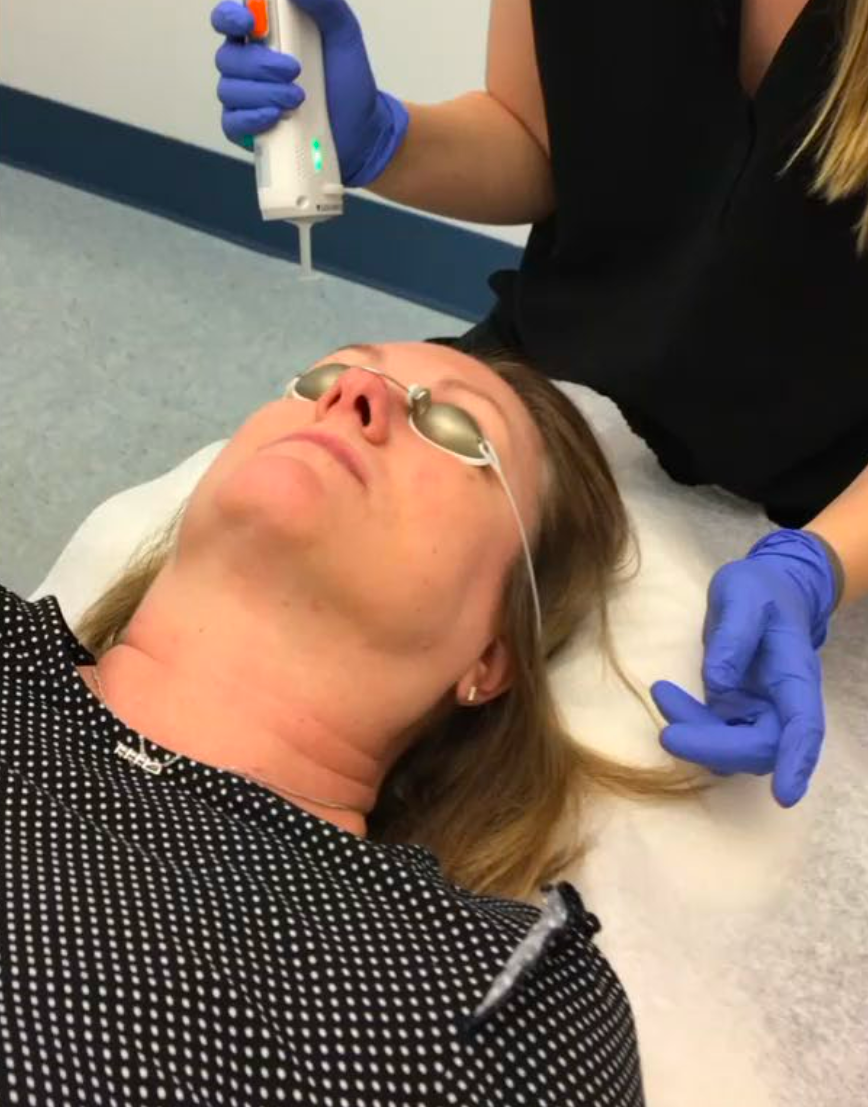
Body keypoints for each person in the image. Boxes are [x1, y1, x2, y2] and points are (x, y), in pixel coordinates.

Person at [212, 0, 868, 810]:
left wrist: (816, 567)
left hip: (828, 513)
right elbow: (536, 141)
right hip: (552, 401)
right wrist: (383, 136)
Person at [1, 338, 691, 1107]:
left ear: (492, 656)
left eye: (461, 431)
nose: (356, 389)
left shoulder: (494, 998)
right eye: (324, 374)